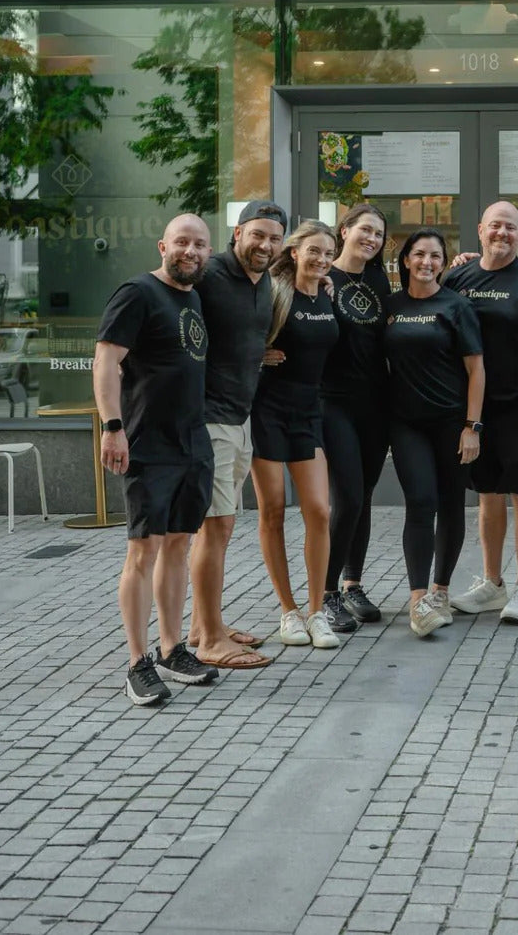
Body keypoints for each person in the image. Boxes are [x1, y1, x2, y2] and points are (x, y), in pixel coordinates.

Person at [94, 214, 219, 707]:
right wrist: (112, 427)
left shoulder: (192, 296)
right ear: (163, 244)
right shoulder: (138, 292)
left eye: (200, 244)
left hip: (193, 443)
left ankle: (172, 649)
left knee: (178, 547)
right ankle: (137, 663)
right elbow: (106, 359)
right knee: (143, 550)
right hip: (148, 443)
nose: (191, 250)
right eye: (183, 242)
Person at [446, 201, 518, 626]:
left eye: (511, 228)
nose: (503, 234)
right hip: (476, 411)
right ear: (480, 230)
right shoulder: (457, 276)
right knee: (486, 494)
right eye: (495, 226)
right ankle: (492, 583)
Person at [188, 199, 287, 672]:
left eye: (274, 238)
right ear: (237, 233)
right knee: (217, 525)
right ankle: (208, 639)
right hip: (208, 418)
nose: (265, 245)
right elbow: (158, 297)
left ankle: (203, 624)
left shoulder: (265, 280)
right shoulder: (207, 274)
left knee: (220, 526)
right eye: (257, 235)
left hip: (239, 416)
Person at [385, 230, 485, 637]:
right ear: (405, 260)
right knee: (421, 502)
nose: (427, 261)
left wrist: (471, 427)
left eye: (435, 256)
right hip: (406, 424)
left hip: (452, 423)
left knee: (451, 503)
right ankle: (417, 599)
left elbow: (477, 369)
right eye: (419, 254)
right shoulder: (389, 308)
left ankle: (441, 590)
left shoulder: (457, 307)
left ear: (444, 264)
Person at [249, 221, 341, 650]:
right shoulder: (271, 292)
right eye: (315, 251)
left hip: (309, 412)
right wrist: (256, 355)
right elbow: (232, 333)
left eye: (328, 252)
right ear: (294, 251)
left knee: (319, 511)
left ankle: (317, 610)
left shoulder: (326, 294)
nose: (322, 259)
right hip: (267, 410)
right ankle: (289, 611)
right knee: (272, 511)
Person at [320, 203, 393, 635]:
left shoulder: (380, 281)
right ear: (344, 230)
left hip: (375, 403)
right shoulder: (321, 275)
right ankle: (326, 594)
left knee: (363, 495)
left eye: (379, 234)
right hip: (333, 402)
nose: (371, 239)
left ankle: (353, 584)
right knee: (346, 496)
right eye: (364, 229)